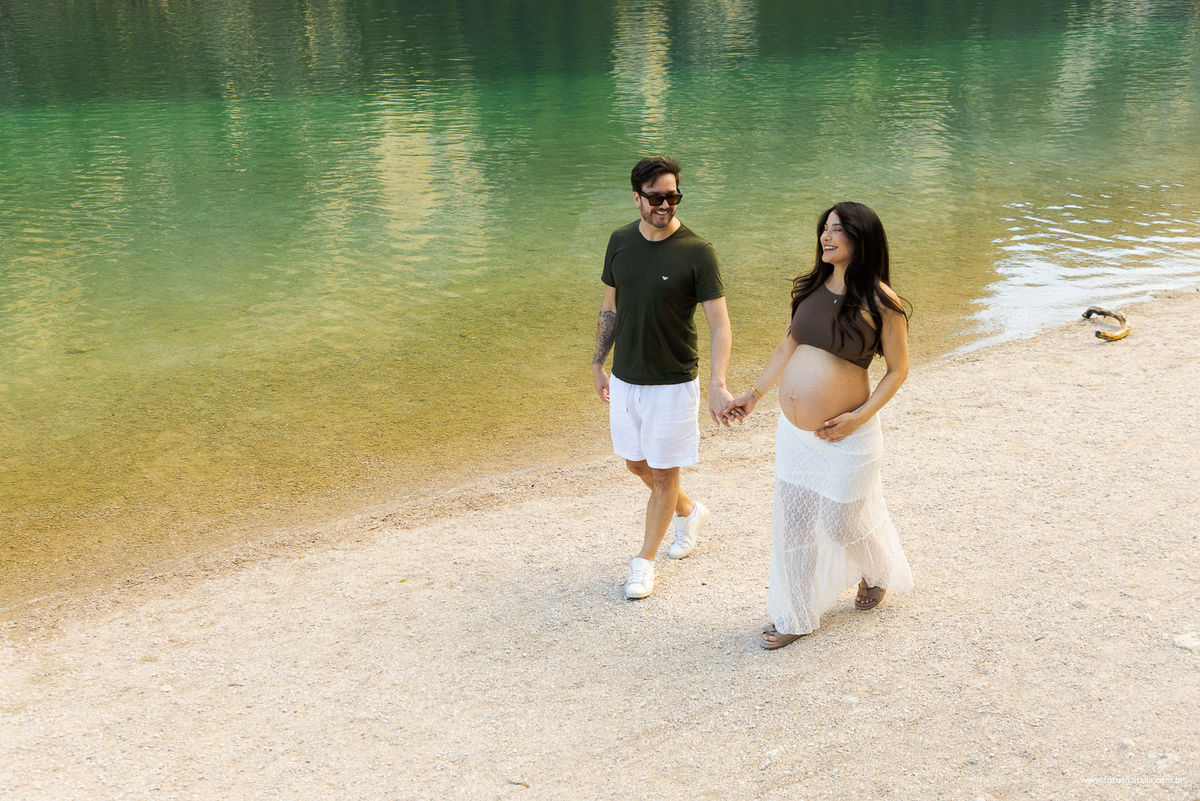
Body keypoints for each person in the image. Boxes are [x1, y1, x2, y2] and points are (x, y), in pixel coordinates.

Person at [724, 201, 914, 649]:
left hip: (849, 434)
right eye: (824, 229)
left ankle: (876, 569)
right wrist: (753, 395)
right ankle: (795, 614)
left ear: (861, 239)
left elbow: (898, 370)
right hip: (795, 436)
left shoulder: (881, 301)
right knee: (793, 523)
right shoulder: (810, 287)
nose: (826, 238)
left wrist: (858, 417)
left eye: (838, 231)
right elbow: (786, 346)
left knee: (841, 521)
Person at [592, 156, 735, 600]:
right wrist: (598, 362)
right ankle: (689, 512)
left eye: (673, 196)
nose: (665, 204)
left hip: (673, 382)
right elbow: (610, 307)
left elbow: (720, 324)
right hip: (626, 378)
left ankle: (643, 562)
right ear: (637, 198)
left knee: (664, 472)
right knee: (636, 463)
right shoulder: (618, 241)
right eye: (656, 197)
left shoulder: (697, 251)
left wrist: (717, 383)